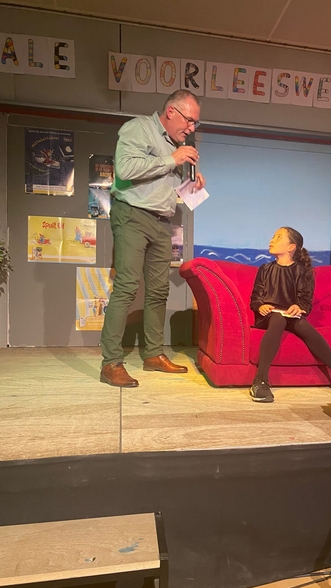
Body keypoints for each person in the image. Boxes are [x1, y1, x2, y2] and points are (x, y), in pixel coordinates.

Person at [100, 89, 206, 387]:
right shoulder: (139, 128)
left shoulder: (178, 145)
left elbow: (163, 183)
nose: (191, 128)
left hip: (162, 222)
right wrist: (171, 159)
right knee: (127, 286)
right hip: (132, 215)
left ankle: (154, 355)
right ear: (171, 111)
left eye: (195, 123)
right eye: (189, 120)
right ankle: (111, 363)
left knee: (159, 290)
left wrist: (191, 184)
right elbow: (126, 169)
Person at [249, 227, 331, 403]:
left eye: (278, 237)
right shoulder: (265, 269)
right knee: (278, 318)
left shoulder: (303, 271)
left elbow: (305, 302)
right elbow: (255, 298)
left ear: (291, 247)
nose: (272, 240)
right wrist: (260, 306)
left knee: (302, 324)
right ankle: (260, 380)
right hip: (268, 316)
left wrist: (298, 307)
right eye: (273, 236)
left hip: (290, 316)